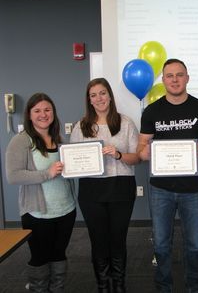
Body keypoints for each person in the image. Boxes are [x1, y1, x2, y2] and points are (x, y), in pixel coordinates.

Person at [137, 58, 198, 293]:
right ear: (163, 80)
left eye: (179, 75)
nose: (174, 79)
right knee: (162, 245)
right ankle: (164, 287)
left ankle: (194, 287)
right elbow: (141, 151)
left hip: (193, 190)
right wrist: (147, 153)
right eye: (170, 75)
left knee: (193, 245)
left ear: (187, 78)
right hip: (160, 189)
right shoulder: (152, 111)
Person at [70, 78, 140, 293]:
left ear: (110, 96)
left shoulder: (125, 122)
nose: (99, 98)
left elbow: (137, 157)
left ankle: (119, 285)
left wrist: (117, 154)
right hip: (91, 191)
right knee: (98, 240)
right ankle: (103, 285)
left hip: (121, 187)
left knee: (117, 239)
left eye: (102, 93)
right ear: (89, 100)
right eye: (94, 95)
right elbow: (74, 160)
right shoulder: (80, 126)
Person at [5, 93, 76, 293]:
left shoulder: (58, 139)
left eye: (47, 110)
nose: (43, 114)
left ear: (53, 113)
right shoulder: (21, 141)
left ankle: (57, 288)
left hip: (66, 210)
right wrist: (47, 173)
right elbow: (14, 176)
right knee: (40, 258)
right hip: (38, 214)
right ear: (28, 114)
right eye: (37, 111)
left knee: (59, 255)